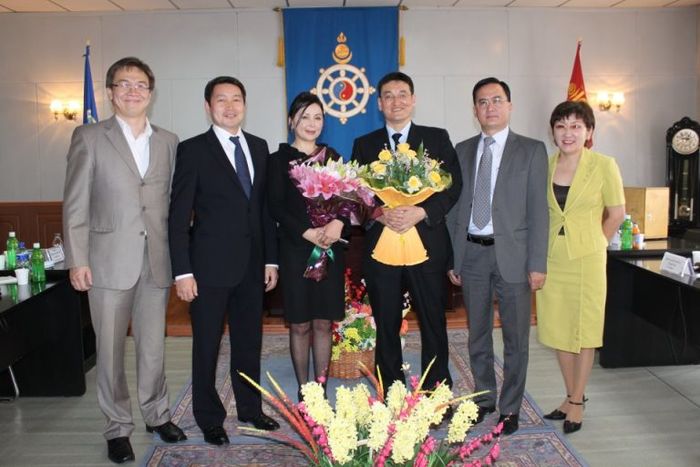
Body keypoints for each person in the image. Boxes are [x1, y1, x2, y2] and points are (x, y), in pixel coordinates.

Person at [63, 57, 186, 464]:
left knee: (153, 347)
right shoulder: (89, 137)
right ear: (111, 92)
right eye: (124, 84)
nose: (133, 91)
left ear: (151, 93)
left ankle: (157, 414)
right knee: (111, 351)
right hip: (106, 262)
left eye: (140, 85)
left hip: (156, 260)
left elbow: (172, 202)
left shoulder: (168, 141)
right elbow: (75, 204)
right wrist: (77, 259)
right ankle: (117, 428)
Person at [168, 76, 280, 446]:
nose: (230, 107)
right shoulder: (193, 150)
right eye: (221, 100)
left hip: (252, 266)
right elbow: (178, 215)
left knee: (249, 342)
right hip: (207, 268)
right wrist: (182, 271)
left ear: (245, 105)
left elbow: (264, 210)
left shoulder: (259, 147)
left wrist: (271, 260)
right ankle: (209, 418)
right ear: (208, 106)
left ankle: (250, 409)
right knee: (206, 347)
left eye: (236, 99)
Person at [447, 77, 549, 435]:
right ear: (474, 110)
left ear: (509, 105)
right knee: (477, 334)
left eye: (496, 100)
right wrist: (454, 258)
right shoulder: (461, 150)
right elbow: (454, 209)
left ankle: (510, 408)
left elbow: (539, 211)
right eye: (482, 102)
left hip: (514, 258)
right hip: (472, 254)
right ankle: (484, 399)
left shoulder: (531, 150)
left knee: (516, 339)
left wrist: (537, 263)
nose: (489, 107)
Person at [352, 71, 462, 394]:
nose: (396, 101)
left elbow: (452, 186)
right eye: (388, 96)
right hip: (382, 248)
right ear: (379, 104)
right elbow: (356, 194)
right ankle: (392, 391)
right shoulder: (364, 144)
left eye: (402, 94)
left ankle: (435, 389)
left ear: (413, 100)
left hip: (426, 246)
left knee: (432, 321)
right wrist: (380, 213)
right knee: (386, 323)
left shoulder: (436, 138)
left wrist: (421, 212)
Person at [537, 101, 625, 434]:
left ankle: (576, 401)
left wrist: (596, 244)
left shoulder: (604, 165)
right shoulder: (545, 166)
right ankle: (571, 394)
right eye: (561, 126)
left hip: (587, 258)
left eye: (576, 126)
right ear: (553, 132)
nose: (568, 133)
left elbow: (616, 213)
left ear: (589, 131)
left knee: (584, 331)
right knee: (558, 329)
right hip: (552, 258)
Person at [268, 92, 348, 399]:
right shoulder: (277, 160)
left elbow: (347, 198)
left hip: (329, 249)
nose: (311, 123)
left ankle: (321, 391)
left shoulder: (333, 158)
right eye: (304, 117)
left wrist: (337, 222)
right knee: (300, 324)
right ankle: (305, 392)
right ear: (291, 121)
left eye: (317, 117)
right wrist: (307, 232)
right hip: (296, 250)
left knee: (324, 323)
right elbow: (276, 206)